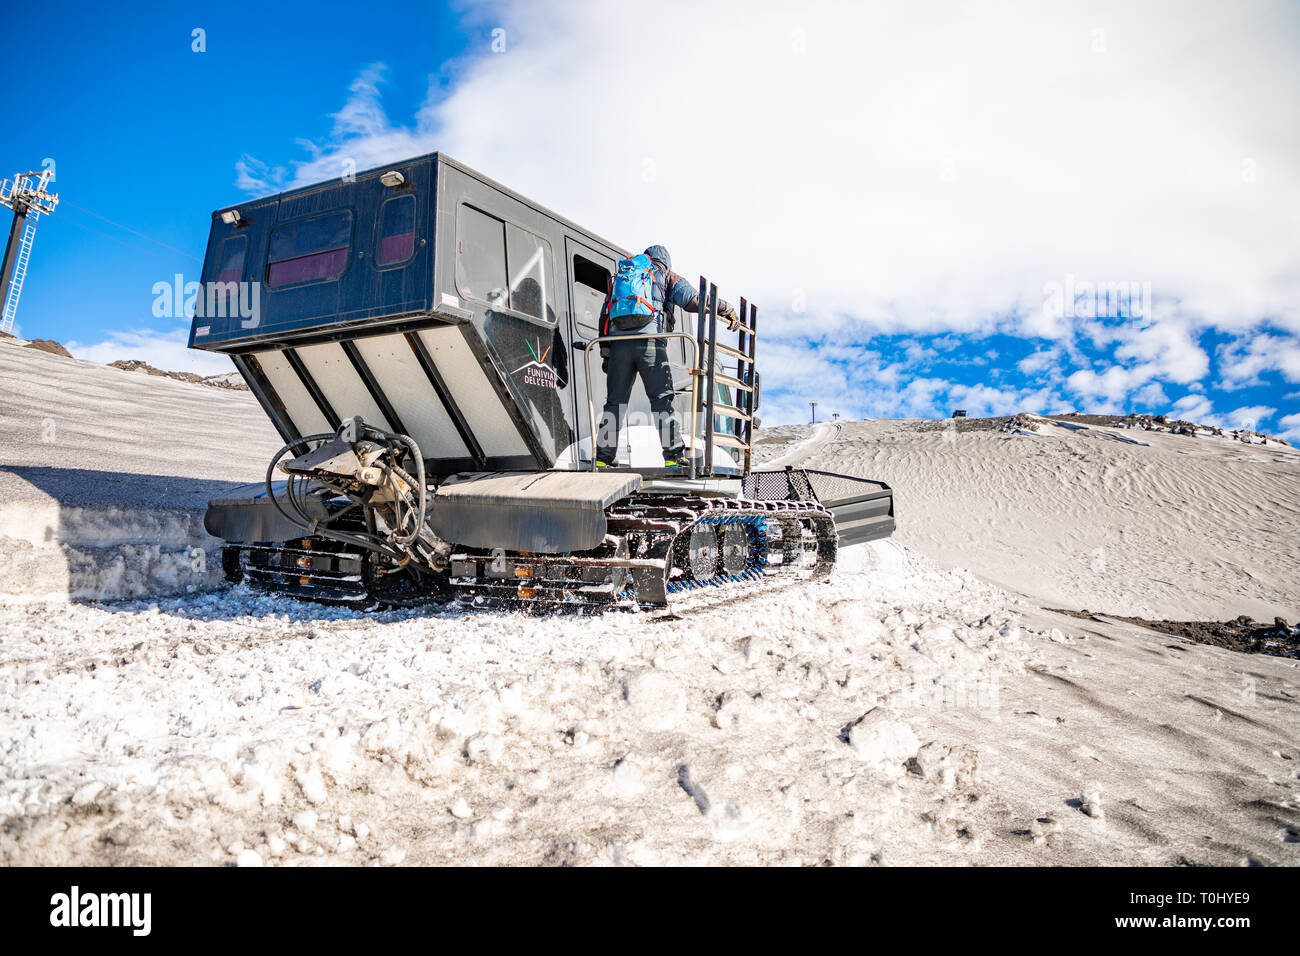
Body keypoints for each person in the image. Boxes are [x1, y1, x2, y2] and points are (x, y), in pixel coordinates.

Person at [595, 244, 737, 467]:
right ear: (666, 262)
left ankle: (602, 459)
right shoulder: (667, 276)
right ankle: (673, 457)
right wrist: (724, 307)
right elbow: (695, 303)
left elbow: (604, 316)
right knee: (662, 401)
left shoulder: (619, 278)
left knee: (614, 403)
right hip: (651, 344)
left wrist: (606, 353)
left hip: (619, 346)